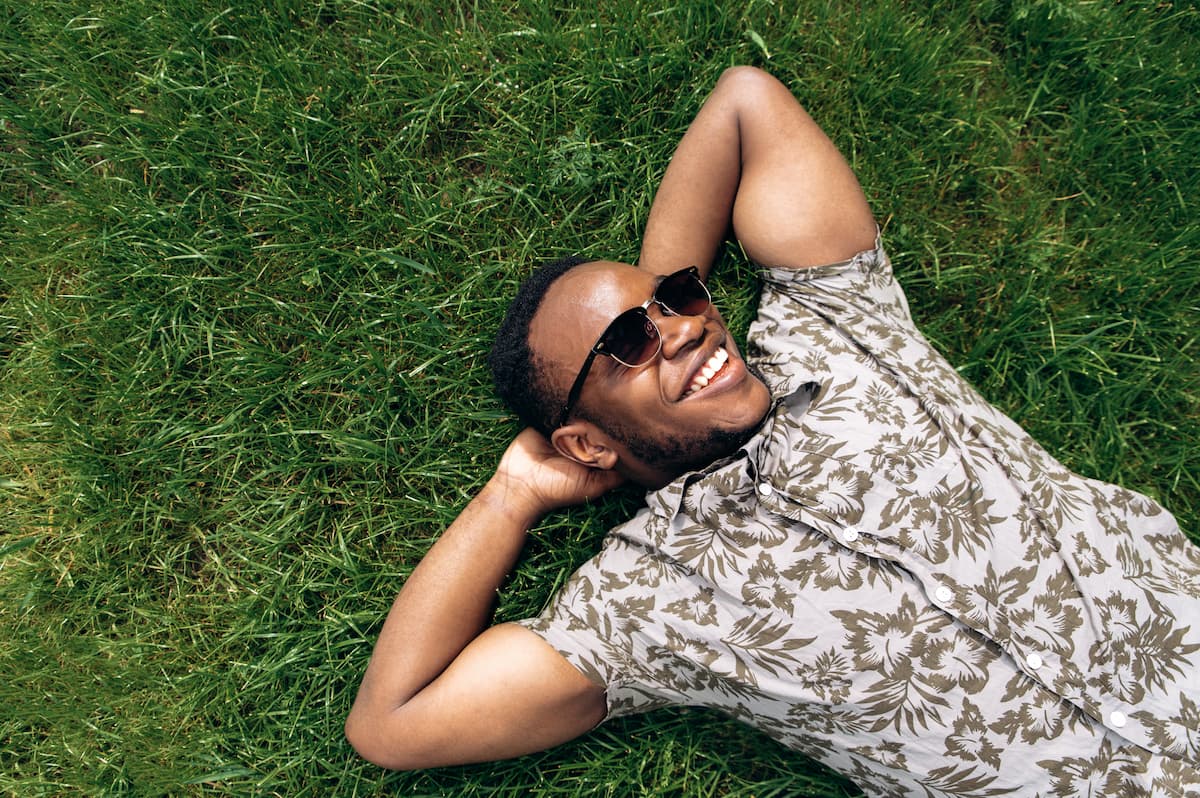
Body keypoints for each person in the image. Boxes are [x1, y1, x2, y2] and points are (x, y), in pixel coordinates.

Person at [345, 67, 1200, 796]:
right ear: (586, 442)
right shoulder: (645, 600)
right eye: (627, 345)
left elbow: (746, 101)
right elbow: (394, 724)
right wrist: (513, 496)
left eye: (680, 298)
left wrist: (659, 314)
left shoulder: (831, 331)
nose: (685, 326)